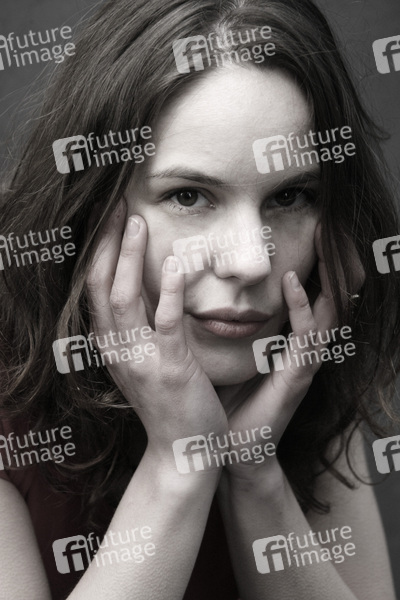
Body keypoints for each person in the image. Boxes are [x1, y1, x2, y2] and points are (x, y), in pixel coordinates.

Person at [0, 0, 399, 598]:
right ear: (89, 208)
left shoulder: (294, 363)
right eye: (188, 196)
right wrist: (179, 462)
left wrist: (254, 471)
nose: (251, 260)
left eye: (290, 196)